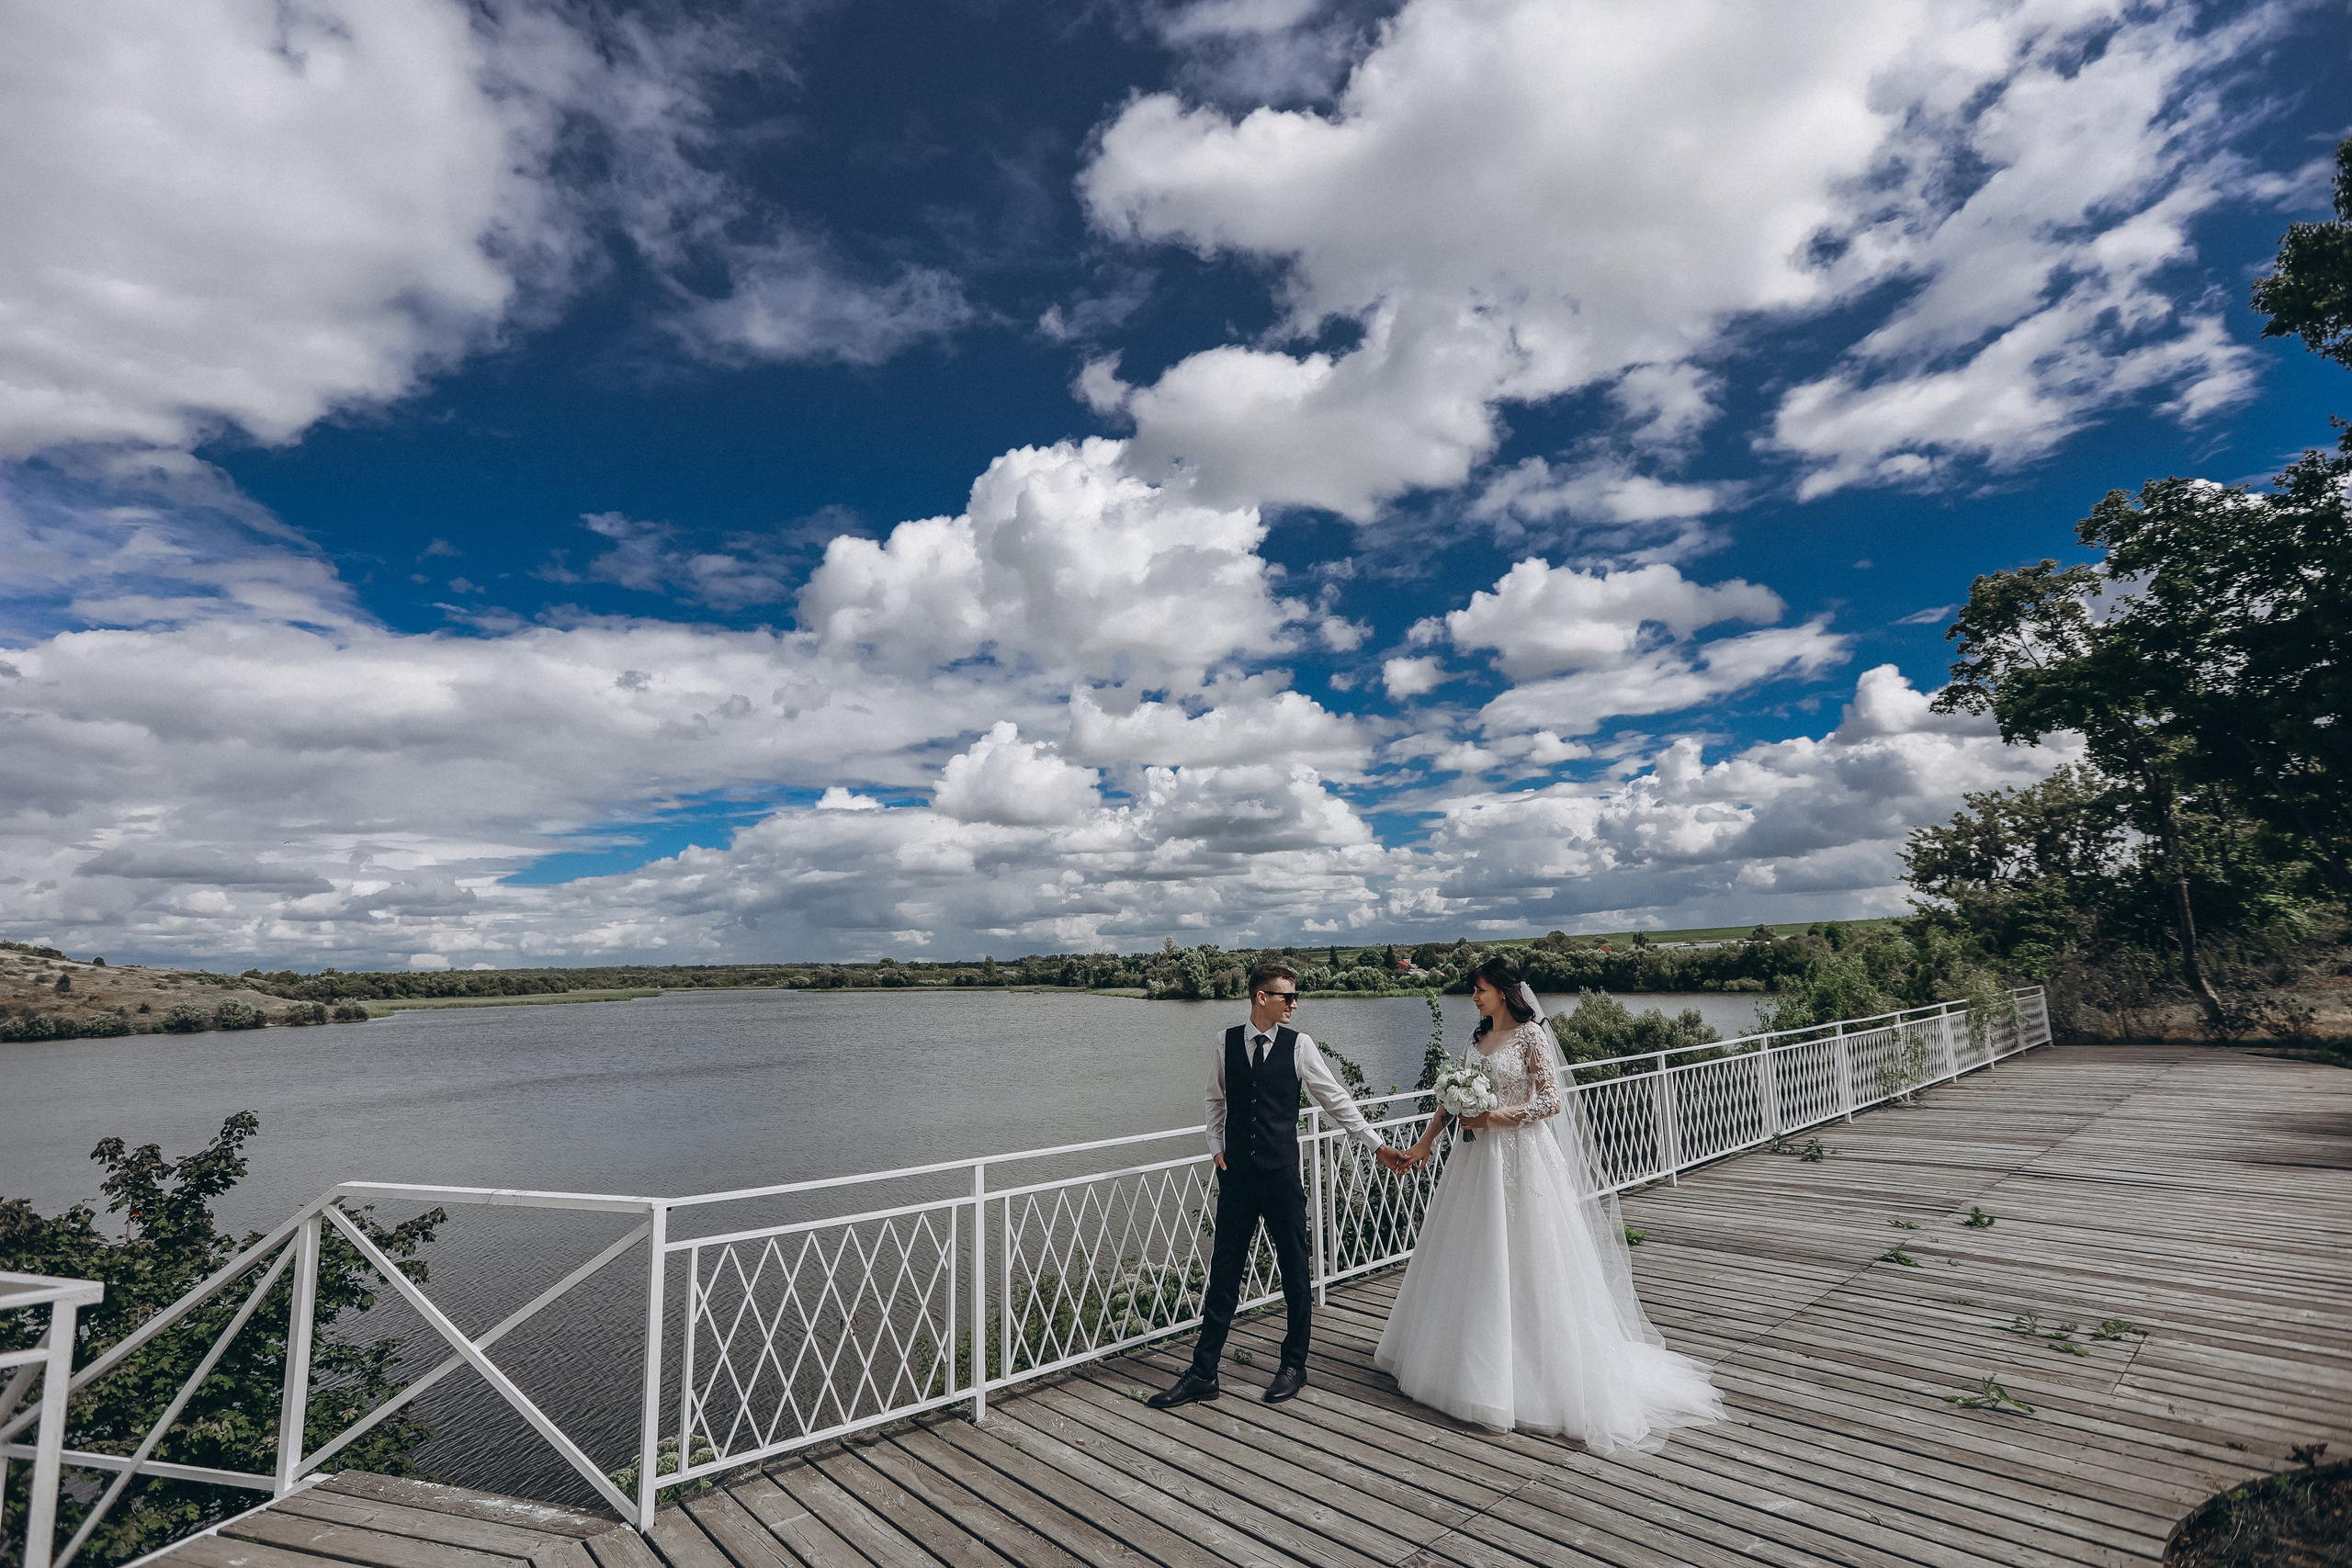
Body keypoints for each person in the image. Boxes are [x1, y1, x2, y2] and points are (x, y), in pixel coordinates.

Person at [1375, 953, 1723, 1451]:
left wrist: (1492, 1118)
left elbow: (1549, 1101)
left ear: (1503, 991)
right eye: (1474, 990)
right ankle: (1464, 1365)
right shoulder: (1476, 1038)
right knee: (1474, 1255)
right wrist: (1426, 1143)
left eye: (1480, 989)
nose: (1474, 997)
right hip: (1475, 1163)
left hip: (1522, 1158)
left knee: (1530, 1256)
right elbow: (1451, 1101)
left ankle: (1535, 1376)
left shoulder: (1531, 1036)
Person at [1148, 961, 1413, 1408]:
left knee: (1294, 1271)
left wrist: (1376, 1145)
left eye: (1295, 996)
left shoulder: (1299, 1045)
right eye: (1286, 996)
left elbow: (1335, 1099)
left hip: (1281, 1176)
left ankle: (1294, 1366)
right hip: (1236, 1178)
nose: (1294, 1004)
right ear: (1261, 998)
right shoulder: (1225, 1042)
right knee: (1224, 1274)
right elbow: (1215, 1099)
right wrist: (1216, 1146)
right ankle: (1203, 1373)